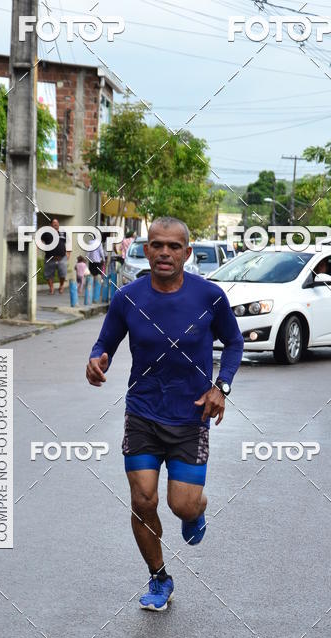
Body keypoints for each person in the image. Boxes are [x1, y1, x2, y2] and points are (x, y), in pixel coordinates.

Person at [86, 216, 244, 611]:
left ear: (187, 253)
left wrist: (220, 385)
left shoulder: (209, 296)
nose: (165, 253)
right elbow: (105, 341)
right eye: (157, 245)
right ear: (146, 248)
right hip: (142, 413)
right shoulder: (128, 297)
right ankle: (159, 578)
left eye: (174, 246)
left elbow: (235, 342)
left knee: (181, 505)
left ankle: (197, 512)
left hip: (191, 417)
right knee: (142, 501)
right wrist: (95, 360)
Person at [41, 218, 69, 295]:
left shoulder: (63, 233)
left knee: (63, 274)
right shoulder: (46, 233)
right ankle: (51, 289)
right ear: (51, 224)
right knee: (48, 275)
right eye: (54, 222)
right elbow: (40, 241)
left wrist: (68, 253)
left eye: (57, 222)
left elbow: (66, 243)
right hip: (49, 258)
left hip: (62, 258)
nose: (56, 224)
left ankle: (61, 286)